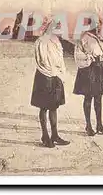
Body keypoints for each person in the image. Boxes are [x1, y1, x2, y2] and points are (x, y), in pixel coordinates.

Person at [30, 18, 70, 148]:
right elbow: (41, 61)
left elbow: (60, 60)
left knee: (54, 106)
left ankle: (55, 135)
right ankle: (45, 135)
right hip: (44, 76)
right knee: (44, 107)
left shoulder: (56, 42)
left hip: (56, 77)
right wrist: (52, 71)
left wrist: (61, 73)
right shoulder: (41, 42)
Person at [74, 17, 103, 136]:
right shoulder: (84, 38)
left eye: (99, 25)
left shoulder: (102, 38)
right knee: (88, 97)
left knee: (99, 97)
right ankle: (88, 125)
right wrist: (88, 58)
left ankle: (99, 125)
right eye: (95, 24)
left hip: (102, 69)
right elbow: (78, 55)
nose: (97, 27)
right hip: (90, 70)